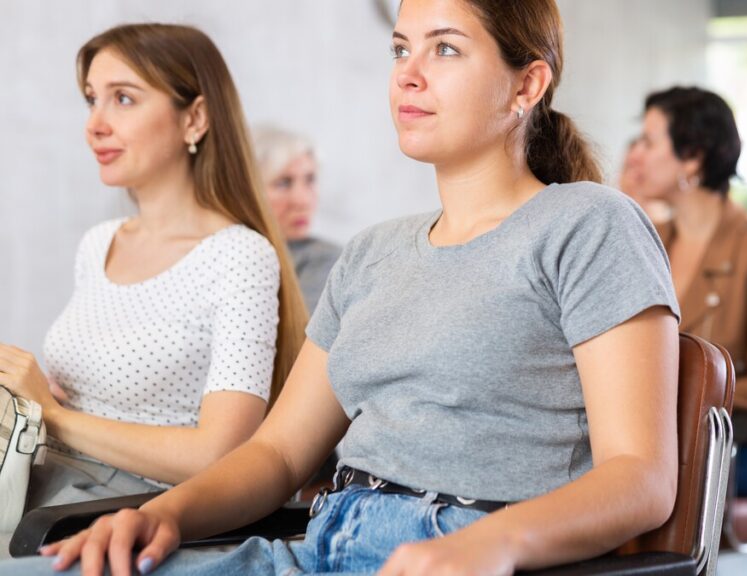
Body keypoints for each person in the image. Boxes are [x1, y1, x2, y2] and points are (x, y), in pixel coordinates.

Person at [0, 1, 681, 574]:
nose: (408, 76)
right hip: (321, 542)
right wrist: (157, 517)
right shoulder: (371, 255)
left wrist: (493, 543)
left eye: (444, 51)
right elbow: (276, 454)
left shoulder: (588, 223)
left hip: (462, 549)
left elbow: (640, 477)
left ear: (526, 85)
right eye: (400, 50)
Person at [0, 22, 307, 530]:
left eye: (123, 99)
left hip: (129, 515)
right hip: (40, 483)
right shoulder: (99, 243)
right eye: (91, 99)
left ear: (196, 118)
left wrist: (53, 416)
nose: (95, 124)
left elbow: (221, 454)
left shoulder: (238, 256)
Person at [631, 86, 747, 497]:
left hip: (740, 447)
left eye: (649, 141)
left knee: (646, 484)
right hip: (664, 442)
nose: (636, 154)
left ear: (692, 157)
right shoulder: (647, 241)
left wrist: (680, 395)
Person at [251, 125, 341, 311]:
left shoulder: (325, 260)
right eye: (283, 183)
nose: (303, 201)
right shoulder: (223, 250)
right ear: (248, 190)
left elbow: (301, 338)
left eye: (310, 180)